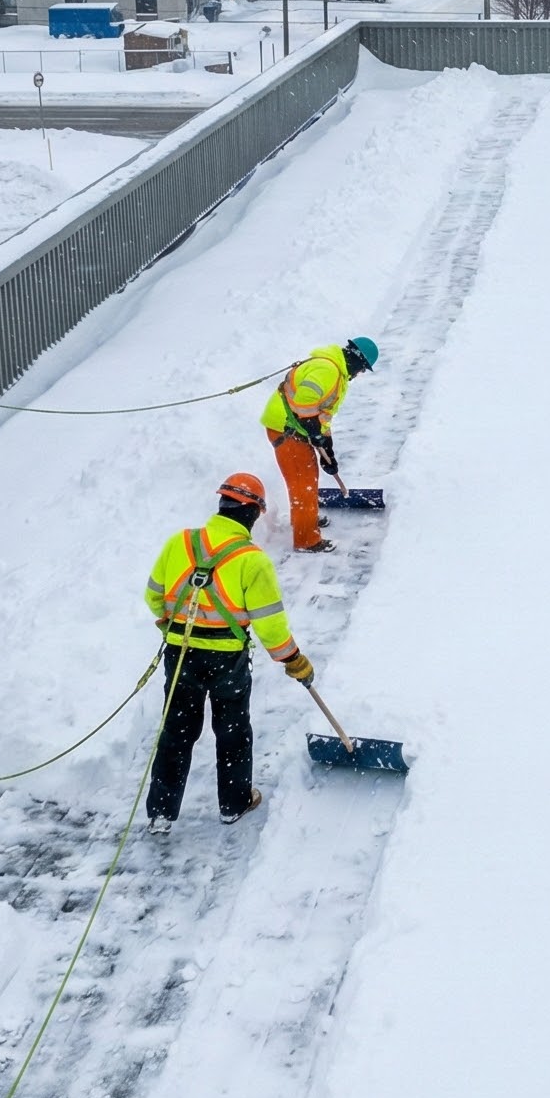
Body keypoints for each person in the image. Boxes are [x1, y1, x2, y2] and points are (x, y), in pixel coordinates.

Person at [141, 473, 313, 826]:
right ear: (253, 512)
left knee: (176, 731)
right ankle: (234, 804)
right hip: (226, 660)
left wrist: (170, 625)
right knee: (232, 730)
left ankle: (161, 812)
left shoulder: (180, 543)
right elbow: (269, 625)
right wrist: (293, 660)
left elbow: (153, 596)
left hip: (180, 653)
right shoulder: (252, 560)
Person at [261, 337, 380, 552]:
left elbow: (321, 414)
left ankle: (306, 519)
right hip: (286, 429)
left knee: (309, 476)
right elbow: (305, 401)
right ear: (356, 358)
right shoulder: (328, 370)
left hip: (296, 428)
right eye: (362, 368)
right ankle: (306, 540)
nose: (360, 374)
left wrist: (327, 447)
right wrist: (313, 431)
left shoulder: (336, 372)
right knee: (303, 483)